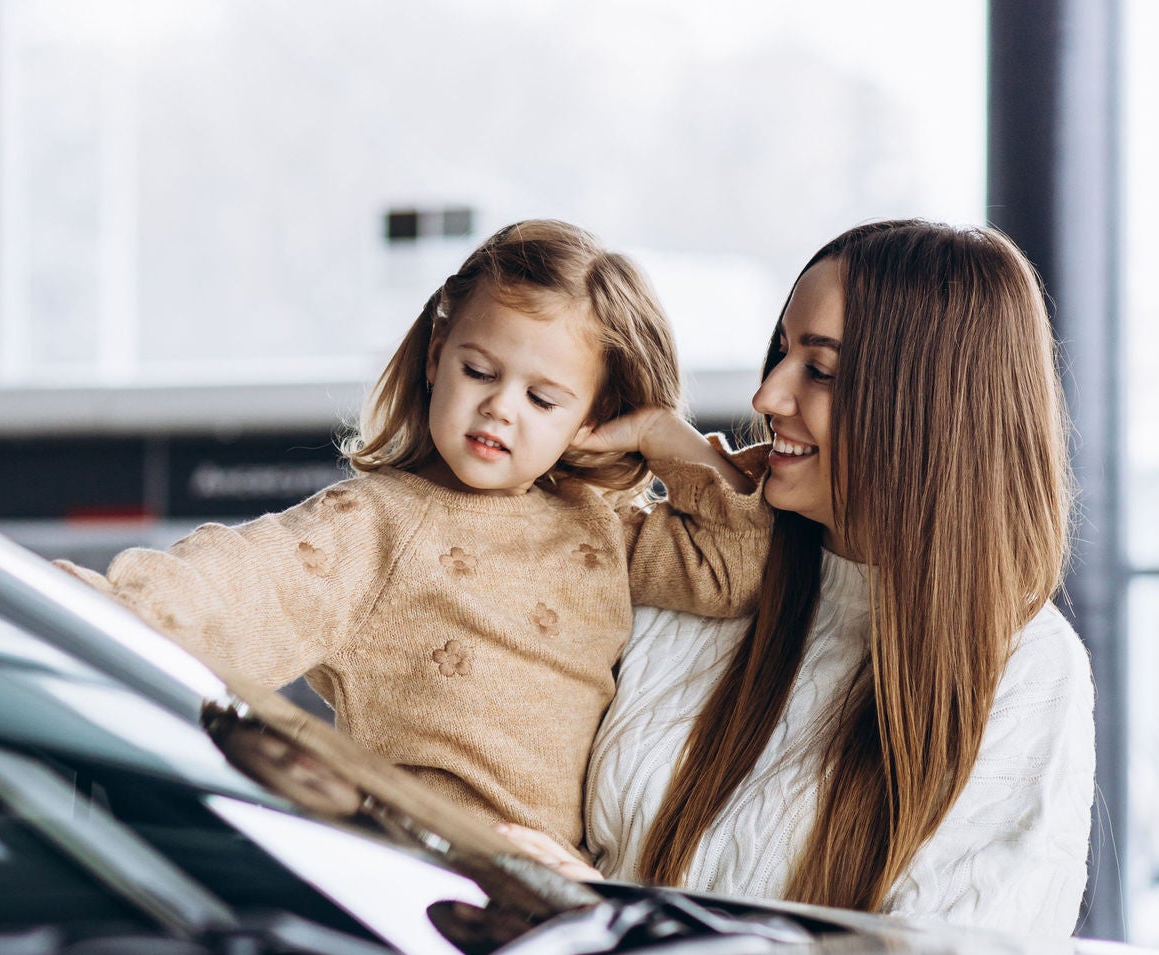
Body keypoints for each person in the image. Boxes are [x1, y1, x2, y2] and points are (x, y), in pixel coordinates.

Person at [59, 219, 769, 854]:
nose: (500, 407)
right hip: (420, 882)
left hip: (555, 901)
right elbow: (227, 590)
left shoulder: (605, 528)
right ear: (436, 355)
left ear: (593, 412)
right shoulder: (373, 525)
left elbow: (737, 569)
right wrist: (75, 603)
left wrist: (660, 432)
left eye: (543, 398)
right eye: (479, 371)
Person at [513, 219, 1095, 936]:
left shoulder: (1026, 668)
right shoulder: (703, 576)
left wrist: (615, 923)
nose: (767, 397)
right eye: (781, 353)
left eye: (819, 371)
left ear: (930, 409)